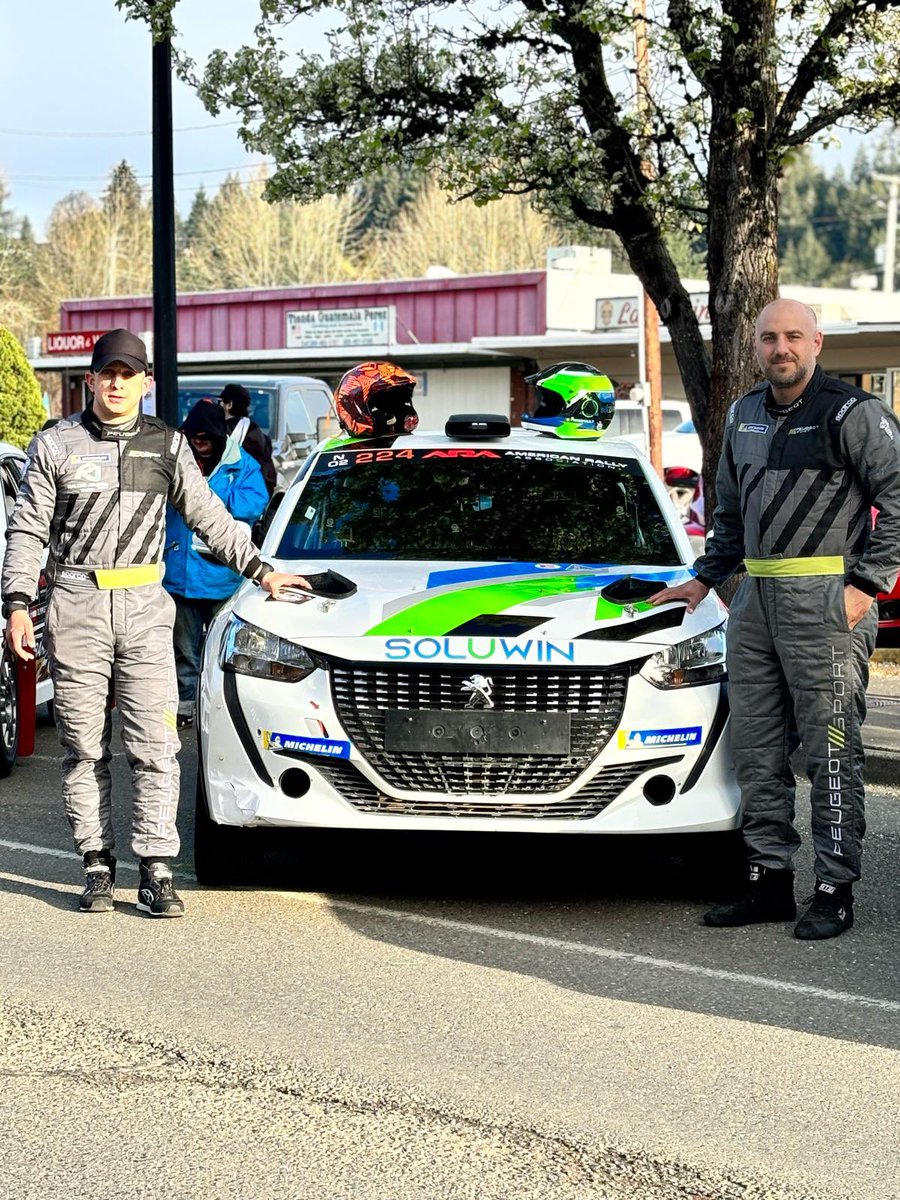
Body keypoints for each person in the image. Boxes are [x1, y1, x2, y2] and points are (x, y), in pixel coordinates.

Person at [1, 330, 308, 918]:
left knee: (156, 744)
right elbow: (28, 529)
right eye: (107, 373)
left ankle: (156, 867)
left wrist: (261, 570)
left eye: (129, 373)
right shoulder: (56, 445)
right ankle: (95, 862)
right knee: (84, 746)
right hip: (77, 603)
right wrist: (16, 602)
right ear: (90, 380)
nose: (117, 384)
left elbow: (209, 517)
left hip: (145, 605)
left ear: (146, 382)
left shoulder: (166, 446)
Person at [650, 299, 900, 940]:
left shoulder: (854, 412)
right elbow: (729, 511)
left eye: (793, 336)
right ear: (756, 347)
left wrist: (866, 587)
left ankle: (832, 888)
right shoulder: (743, 414)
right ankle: (768, 881)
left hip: (826, 603)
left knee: (830, 751)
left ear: (816, 342)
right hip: (753, 602)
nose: (780, 348)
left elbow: (898, 501)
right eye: (769, 338)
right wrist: (703, 579)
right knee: (757, 752)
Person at [164, 398, 269, 728]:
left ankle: (228, 710)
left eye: (205, 439)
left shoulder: (242, 463)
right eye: (193, 439)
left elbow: (256, 501)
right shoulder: (175, 461)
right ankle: (185, 705)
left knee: (229, 651)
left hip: (224, 576)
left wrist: (206, 496)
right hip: (179, 575)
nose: (199, 445)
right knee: (184, 650)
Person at [219, 383, 277, 495]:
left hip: (230, 499)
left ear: (229, 404)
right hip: (253, 497)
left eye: (221, 402)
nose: (219, 406)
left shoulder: (222, 431)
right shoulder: (257, 432)